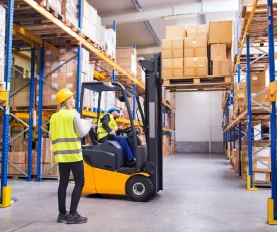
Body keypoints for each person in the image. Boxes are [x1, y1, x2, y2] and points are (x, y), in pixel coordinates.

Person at [49, 88, 91, 224]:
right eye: (71, 98)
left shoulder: (54, 117)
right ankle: (73, 214)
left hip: (61, 156)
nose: (74, 100)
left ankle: (62, 214)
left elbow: (51, 135)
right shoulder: (73, 114)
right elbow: (82, 132)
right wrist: (89, 124)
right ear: (66, 101)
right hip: (74, 155)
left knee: (63, 184)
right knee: (80, 182)